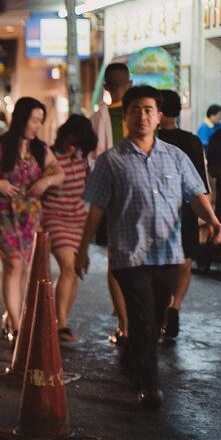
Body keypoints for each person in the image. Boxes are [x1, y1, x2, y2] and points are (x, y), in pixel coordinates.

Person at [76, 85, 221, 411]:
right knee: (142, 319)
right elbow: (97, 209)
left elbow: (195, 195)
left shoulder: (177, 157)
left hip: (168, 255)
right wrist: (83, 249)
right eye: (136, 110)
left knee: (154, 319)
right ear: (126, 116)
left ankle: (132, 358)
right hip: (130, 256)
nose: (142, 115)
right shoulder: (110, 162)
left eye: (148, 110)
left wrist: (213, 220)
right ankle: (149, 385)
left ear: (159, 117)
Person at [0, 97, 65, 341]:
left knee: (25, 268)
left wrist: (46, 181)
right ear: (22, 118)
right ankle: (17, 325)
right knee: (13, 263)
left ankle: (13, 315)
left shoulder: (41, 149)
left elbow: (59, 173)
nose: (37, 126)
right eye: (34, 120)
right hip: (4, 211)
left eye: (40, 121)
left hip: (31, 215)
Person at [157, 90, 210, 339]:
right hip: (187, 208)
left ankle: (162, 306)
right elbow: (201, 184)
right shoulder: (192, 141)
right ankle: (175, 305)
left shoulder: (152, 140)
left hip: (158, 209)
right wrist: (209, 217)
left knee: (161, 262)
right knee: (185, 259)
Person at [41, 115, 97, 343]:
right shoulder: (49, 157)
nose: (71, 146)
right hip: (53, 216)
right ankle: (61, 324)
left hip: (78, 219)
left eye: (77, 143)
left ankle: (60, 319)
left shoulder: (82, 161)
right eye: (69, 140)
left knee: (73, 271)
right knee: (68, 266)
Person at [90, 62, 131, 346]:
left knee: (115, 261)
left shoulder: (98, 118)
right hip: (139, 194)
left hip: (112, 195)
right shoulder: (140, 115)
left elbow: (92, 157)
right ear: (129, 83)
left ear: (105, 87)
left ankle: (124, 325)